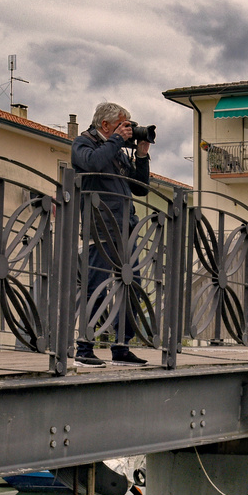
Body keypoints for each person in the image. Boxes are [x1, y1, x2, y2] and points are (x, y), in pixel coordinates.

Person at [71, 101, 150, 366]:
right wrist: (116, 141)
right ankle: (84, 348)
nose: (127, 131)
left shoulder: (116, 151)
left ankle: (122, 346)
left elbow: (140, 189)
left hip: (125, 227)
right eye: (122, 125)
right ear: (104, 125)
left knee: (132, 287)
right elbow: (92, 163)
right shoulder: (84, 144)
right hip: (101, 227)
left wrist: (141, 155)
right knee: (97, 288)